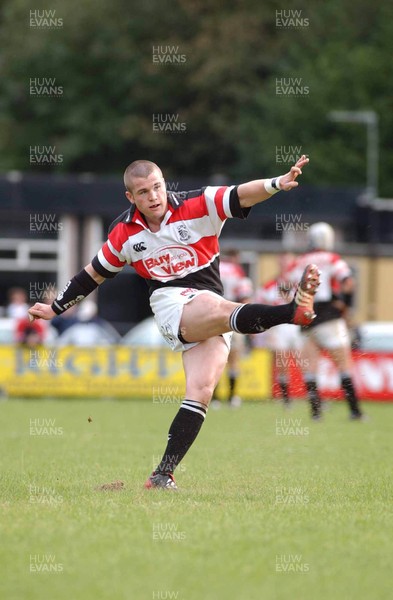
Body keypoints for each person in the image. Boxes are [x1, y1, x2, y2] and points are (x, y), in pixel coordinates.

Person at [28, 156, 320, 490]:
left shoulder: (198, 204)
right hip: (171, 305)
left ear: (164, 184)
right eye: (143, 192)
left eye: (157, 187)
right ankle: (290, 313)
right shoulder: (124, 233)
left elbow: (241, 194)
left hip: (207, 304)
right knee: (220, 309)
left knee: (201, 391)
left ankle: (161, 475)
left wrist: (276, 184)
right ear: (131, 198)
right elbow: (91, 275)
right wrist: (55, 307)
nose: (153, 196)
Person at [285, 222, 363, 421]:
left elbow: (287, 289)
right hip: (329, 315)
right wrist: (346, 305)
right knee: (343, 364)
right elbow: (348, 281)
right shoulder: (332, 258)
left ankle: (316, 412)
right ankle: (355, 411)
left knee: (310, 368)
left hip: (306, 317)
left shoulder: (299, 261)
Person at [255, 253, 303, 406]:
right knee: (282, 363)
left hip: (296, 327)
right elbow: (259, 306)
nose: (286, 266)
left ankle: (315, 398)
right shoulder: (269, 286)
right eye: (283, 262)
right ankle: (286, 398)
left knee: (305, 362)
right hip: (279, 327)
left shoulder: (299, 286)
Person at [213, 250, 254, 408]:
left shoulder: (215, 267)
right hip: (231, 319)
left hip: (213, 318)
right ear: (236, 257)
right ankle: (232, 397)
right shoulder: (237, 271)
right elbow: (245, 298)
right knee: (233, 360)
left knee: (214, 360)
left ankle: (215, 398)